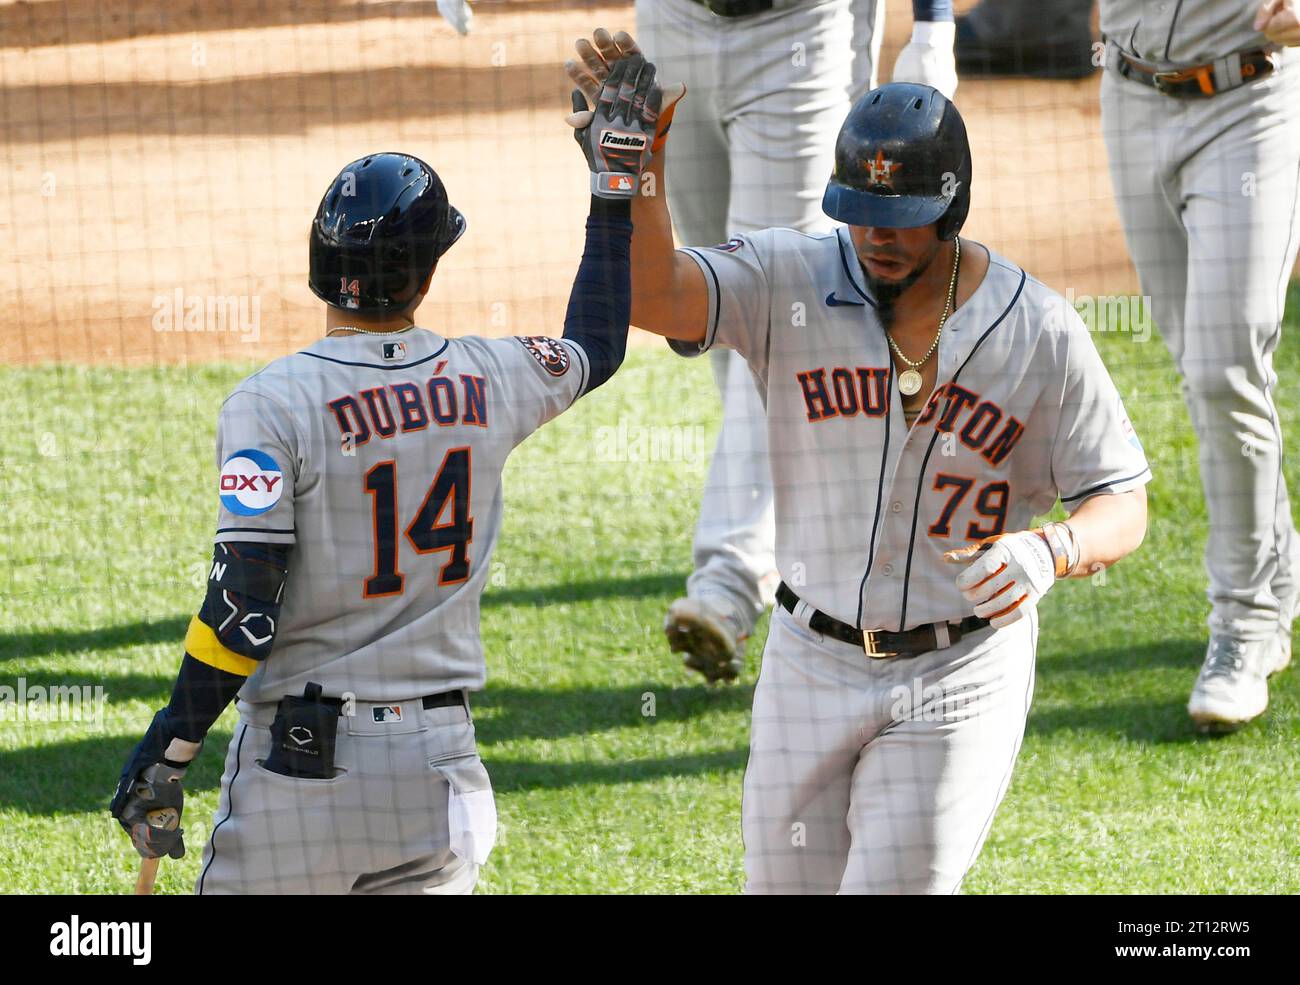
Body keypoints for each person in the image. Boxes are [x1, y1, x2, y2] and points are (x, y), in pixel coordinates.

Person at [570, 38, 1150, 892]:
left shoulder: (1039, 330)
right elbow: (656, 298)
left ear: (951, 208)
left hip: (959, 673)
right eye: (860, 212)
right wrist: (639, 174)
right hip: (809, 662)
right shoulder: (788, 276)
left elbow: (1122, 499)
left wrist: (1051, 550)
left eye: (901, 216)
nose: (875, 236)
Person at [108, 55, 662, 894]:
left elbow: (241, 609)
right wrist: (613, 190)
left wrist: (166, 749)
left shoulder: (269, 405)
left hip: (303, 784)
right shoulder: (489, 376)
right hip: (438, 778)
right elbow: (597, 344)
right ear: (432, 267)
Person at [605, 1, 957, 685]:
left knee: (775, 299)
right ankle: (788, 525)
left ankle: (729, 579)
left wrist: (934, 25)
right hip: (675, 20)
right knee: (707, 295)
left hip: (799, 29)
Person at [1099, 0, 1300, 731]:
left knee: (1225, 368)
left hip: (1251, 105)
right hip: (1128, 95)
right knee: (1201, 364)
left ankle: (1246, 628)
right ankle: (1279, 565)